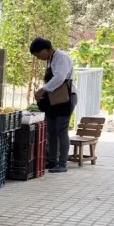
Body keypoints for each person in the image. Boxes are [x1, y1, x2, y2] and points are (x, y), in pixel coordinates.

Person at [29, 37, 76, 173]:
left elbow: (60, 77)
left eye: (38, 55)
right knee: (52, 131)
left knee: (62, 130)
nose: (38, 58)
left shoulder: (61, 57)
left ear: (45, 49)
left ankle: (62, 163)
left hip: (65, 99)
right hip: (53, 100)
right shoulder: (50, 59)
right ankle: (52, 160)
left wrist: (42, 90)